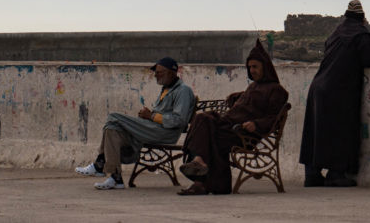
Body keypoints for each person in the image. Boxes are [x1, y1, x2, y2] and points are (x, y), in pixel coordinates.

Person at [177, 39, 289, 195]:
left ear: (265, 67)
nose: (252, 70)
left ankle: (200, 173)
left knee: (209, 132)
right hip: (227, 124)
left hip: (243, 133)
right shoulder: (253, 86)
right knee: (203, 119)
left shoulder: (276, 90)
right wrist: (238, 97)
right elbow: (247, 103)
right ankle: (202, 170)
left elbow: (273, 117)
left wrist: (256, 124)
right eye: (249, 67)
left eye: (255, 67)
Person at [299, 0, 370, 187]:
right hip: (338, 89)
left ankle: (312, 174)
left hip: (318, 85)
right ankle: (336, 174)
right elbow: (368, 59)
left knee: (315, 131)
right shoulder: (361, 34)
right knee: (339, 131)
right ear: (363, 18)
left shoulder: (336, 33)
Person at [75, 57, 194, 190]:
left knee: (113, 117)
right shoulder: (165, 89)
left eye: (160, 72)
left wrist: (152, 116)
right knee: (112, 129)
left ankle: (99, 165)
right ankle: (116, 178)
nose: (156, 75)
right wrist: (147, 117)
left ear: (172, 73)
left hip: (165, 133)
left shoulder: (183, 90)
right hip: (152, 129)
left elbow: (179, 120)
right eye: (156, 72)